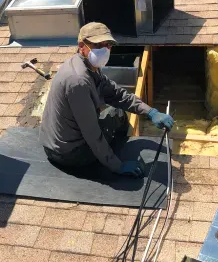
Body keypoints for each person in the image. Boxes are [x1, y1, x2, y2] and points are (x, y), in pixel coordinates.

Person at [39, 22, 174, 178]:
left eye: (108, 45)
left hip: (61, 140)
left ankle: (113, 150)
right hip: (67, 153)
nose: (105, 49)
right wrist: (117, 166)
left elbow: (117, 94)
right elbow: (92, 133)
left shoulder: (89, 67)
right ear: (82, 45)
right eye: (98, 45)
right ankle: (111, 157)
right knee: (113, 120)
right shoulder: (77, 81)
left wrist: (150, 111)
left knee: (117, 113)